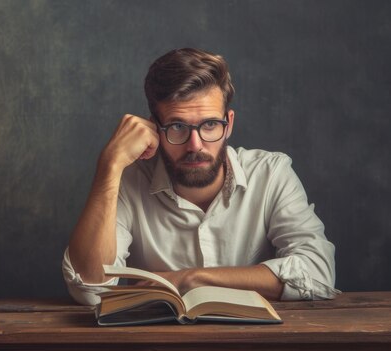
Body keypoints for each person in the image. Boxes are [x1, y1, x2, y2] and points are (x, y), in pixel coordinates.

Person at [62, 48, 339, 306]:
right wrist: (109, 165)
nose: (195, 144)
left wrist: (190, 279)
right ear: (154, 128)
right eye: (178, 126)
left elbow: (317, 271)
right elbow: (90, 289)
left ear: (228, 124)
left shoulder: (271, 173)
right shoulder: (128, 182)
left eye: (209, 125)